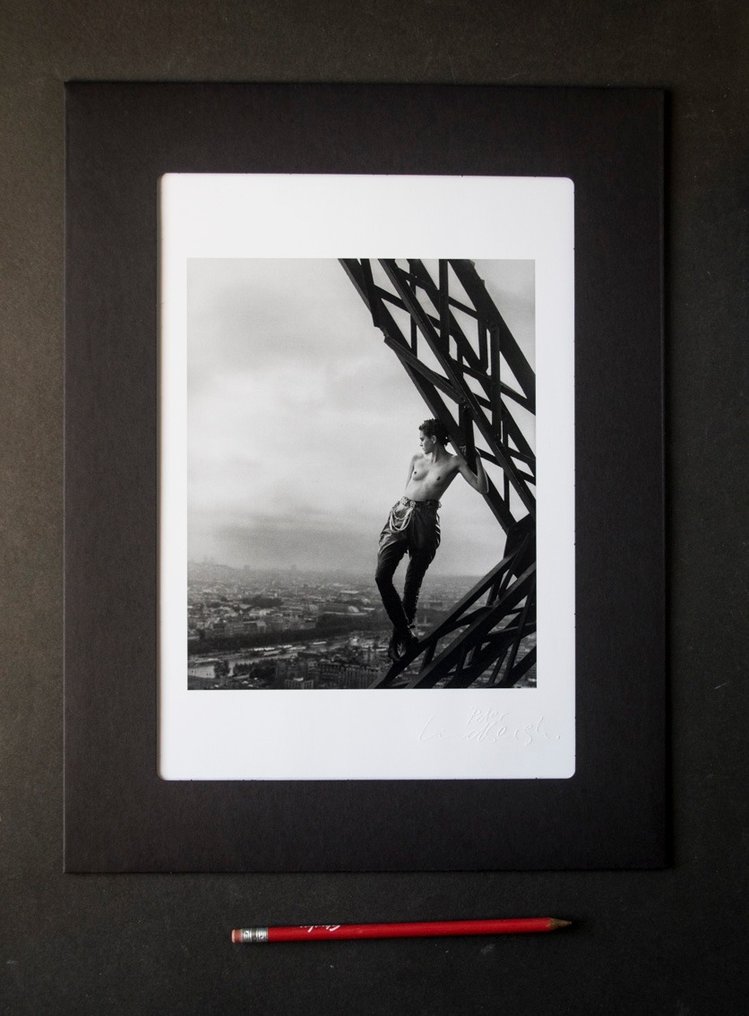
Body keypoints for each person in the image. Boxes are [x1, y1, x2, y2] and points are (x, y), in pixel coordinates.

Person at [376, 418, 489, 661]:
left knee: (411, 585)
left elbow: (482, 487)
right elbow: (406, 489)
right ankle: (405, 636)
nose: (420, 443)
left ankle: (400, 639)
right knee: (381, 576)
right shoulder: (416, 459)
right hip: (401, 514)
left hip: (426, 521)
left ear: (434, 439)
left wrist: (477, 458)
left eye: (422, 439)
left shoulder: (454, 462)